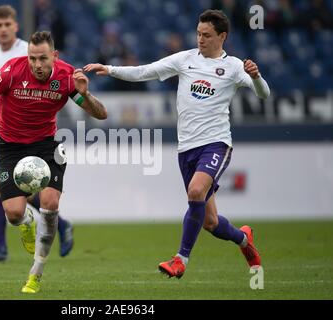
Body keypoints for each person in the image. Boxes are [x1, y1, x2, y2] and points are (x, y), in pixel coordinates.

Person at [84, 9, 269, 279]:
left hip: (216, 144)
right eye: (198, 34)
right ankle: (243, 239)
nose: (200, 39)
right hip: (187, 149)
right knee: (210, 222)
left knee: (195, 192)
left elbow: (263, 94)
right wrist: (110, 69)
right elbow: (145, 71)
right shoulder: (185, 60)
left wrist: (255, 77)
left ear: (222, 36)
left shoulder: (234, 67)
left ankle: (180, 259)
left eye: (206, 35)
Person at [0, 31, 107, 293]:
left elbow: (101, 115)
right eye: (32, 58)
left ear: (54, 56)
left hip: (46, 146)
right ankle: (25, 223)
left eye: (42, 58)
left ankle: (36, 273)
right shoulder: (12, 71)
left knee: (50, 203)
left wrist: (85, 95)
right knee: (12, 213)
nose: (37, 65)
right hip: (10, 147)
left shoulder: (66, 77)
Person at [0, 5, 75, 264]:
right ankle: (0, 246)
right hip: (1, 132)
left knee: (25, 188)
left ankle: (57, 223)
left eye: (8, 24)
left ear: (16, 26)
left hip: (32, 136)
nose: (3, 29)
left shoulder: (27, 53)